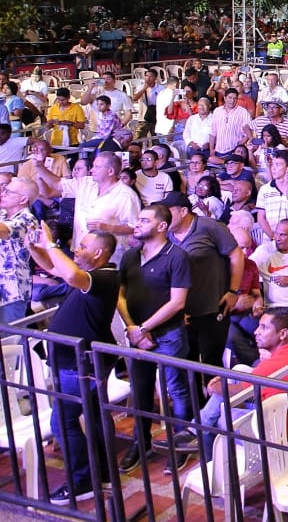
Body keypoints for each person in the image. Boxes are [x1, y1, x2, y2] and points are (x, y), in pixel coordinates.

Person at [28, 229, 117, 505]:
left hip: (80, 364)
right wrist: (33, 246)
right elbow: (53, 267)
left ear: (98, 253)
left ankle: (82, 481)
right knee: (93, 416)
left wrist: (50, 242)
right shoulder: (88, 275)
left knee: (63, 422)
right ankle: (103, 472)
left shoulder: (105, 276)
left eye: (83, 246)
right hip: (76, 361)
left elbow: (68, 274)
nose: (76, 249)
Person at [117, 204, 193, 472]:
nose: (137, 224)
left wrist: (144, 328)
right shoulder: (130, 256)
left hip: (168, 334)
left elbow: (177, 302)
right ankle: (141, 442)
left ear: (161, 226)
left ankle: (182, 444)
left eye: (144, 220)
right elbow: (120, 294)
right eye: (138, 219)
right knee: (141, 390)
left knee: (176, 390)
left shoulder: (177, 256)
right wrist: (132, 327)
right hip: (136, 334)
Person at [190, 308, 288, 457]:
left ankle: (211, 461)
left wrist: (214, 386)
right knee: (238, 371)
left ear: (283, 334)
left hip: (278, 429)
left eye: (264, 327)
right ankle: (198, 426)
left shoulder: (273, 365)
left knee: (221, 417)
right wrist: (223, 382)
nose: (256, 332)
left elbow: (237, 391)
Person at [161, 191, 243, 378]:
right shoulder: (165, 234)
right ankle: (196, 397)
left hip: (212, 306)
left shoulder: (209, 226)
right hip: (182, 311)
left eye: (168, 211)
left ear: (183, 211)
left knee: (211, 362)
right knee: (186, 362)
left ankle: (215, 397)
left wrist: (233, 290)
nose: (163, 215)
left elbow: (236, 255)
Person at [0, 178, 41, 321]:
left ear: (23, 199)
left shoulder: (29, 220)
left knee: (11, 334)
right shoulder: (3, 214)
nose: (2, 194)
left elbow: (4, 230)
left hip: (12, 293)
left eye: (8, 192)